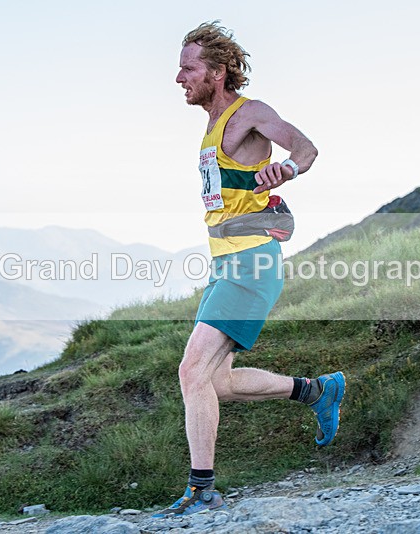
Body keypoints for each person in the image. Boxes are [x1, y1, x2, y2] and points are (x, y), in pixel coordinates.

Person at [154, 21, 345, 517]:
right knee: (216, 383)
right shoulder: (212, 127)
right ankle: (318, 391)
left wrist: (289, 169)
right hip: (227, 264)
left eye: (187, 68)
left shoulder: (250, 114)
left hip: (252, 261)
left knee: (191, 371)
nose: (178, 78)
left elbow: (305, 148)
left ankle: (202, 490)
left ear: (217, 72)